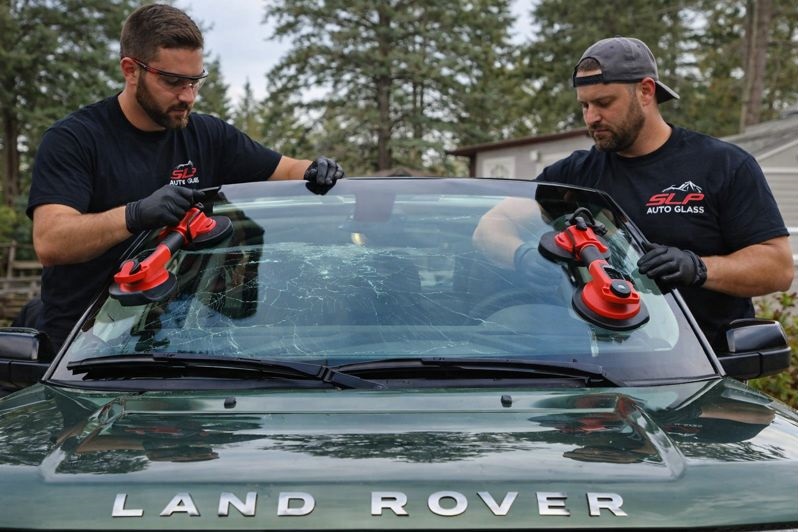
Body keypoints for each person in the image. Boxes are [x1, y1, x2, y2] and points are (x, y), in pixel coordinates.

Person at [26, 4, 345, 351]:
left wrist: (315, 170)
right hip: (81, 348)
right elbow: (51, 241)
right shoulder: (75, 139)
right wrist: (135, 215)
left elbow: (285, 170)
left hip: (179, 345)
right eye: (173, 81)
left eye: (195, 81)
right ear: (131, 70)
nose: (188, 96)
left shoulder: (209, 135)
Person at [473, 36, 793, 350]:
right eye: (584, 105)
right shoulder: (576, 175)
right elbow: (491, 226)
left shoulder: (723, 165)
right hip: (605, 366)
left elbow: (777, 268)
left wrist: (698, 268)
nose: (591, 117)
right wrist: (523, 257)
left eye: (604, 103)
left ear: (645, 91)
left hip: (706, 371)